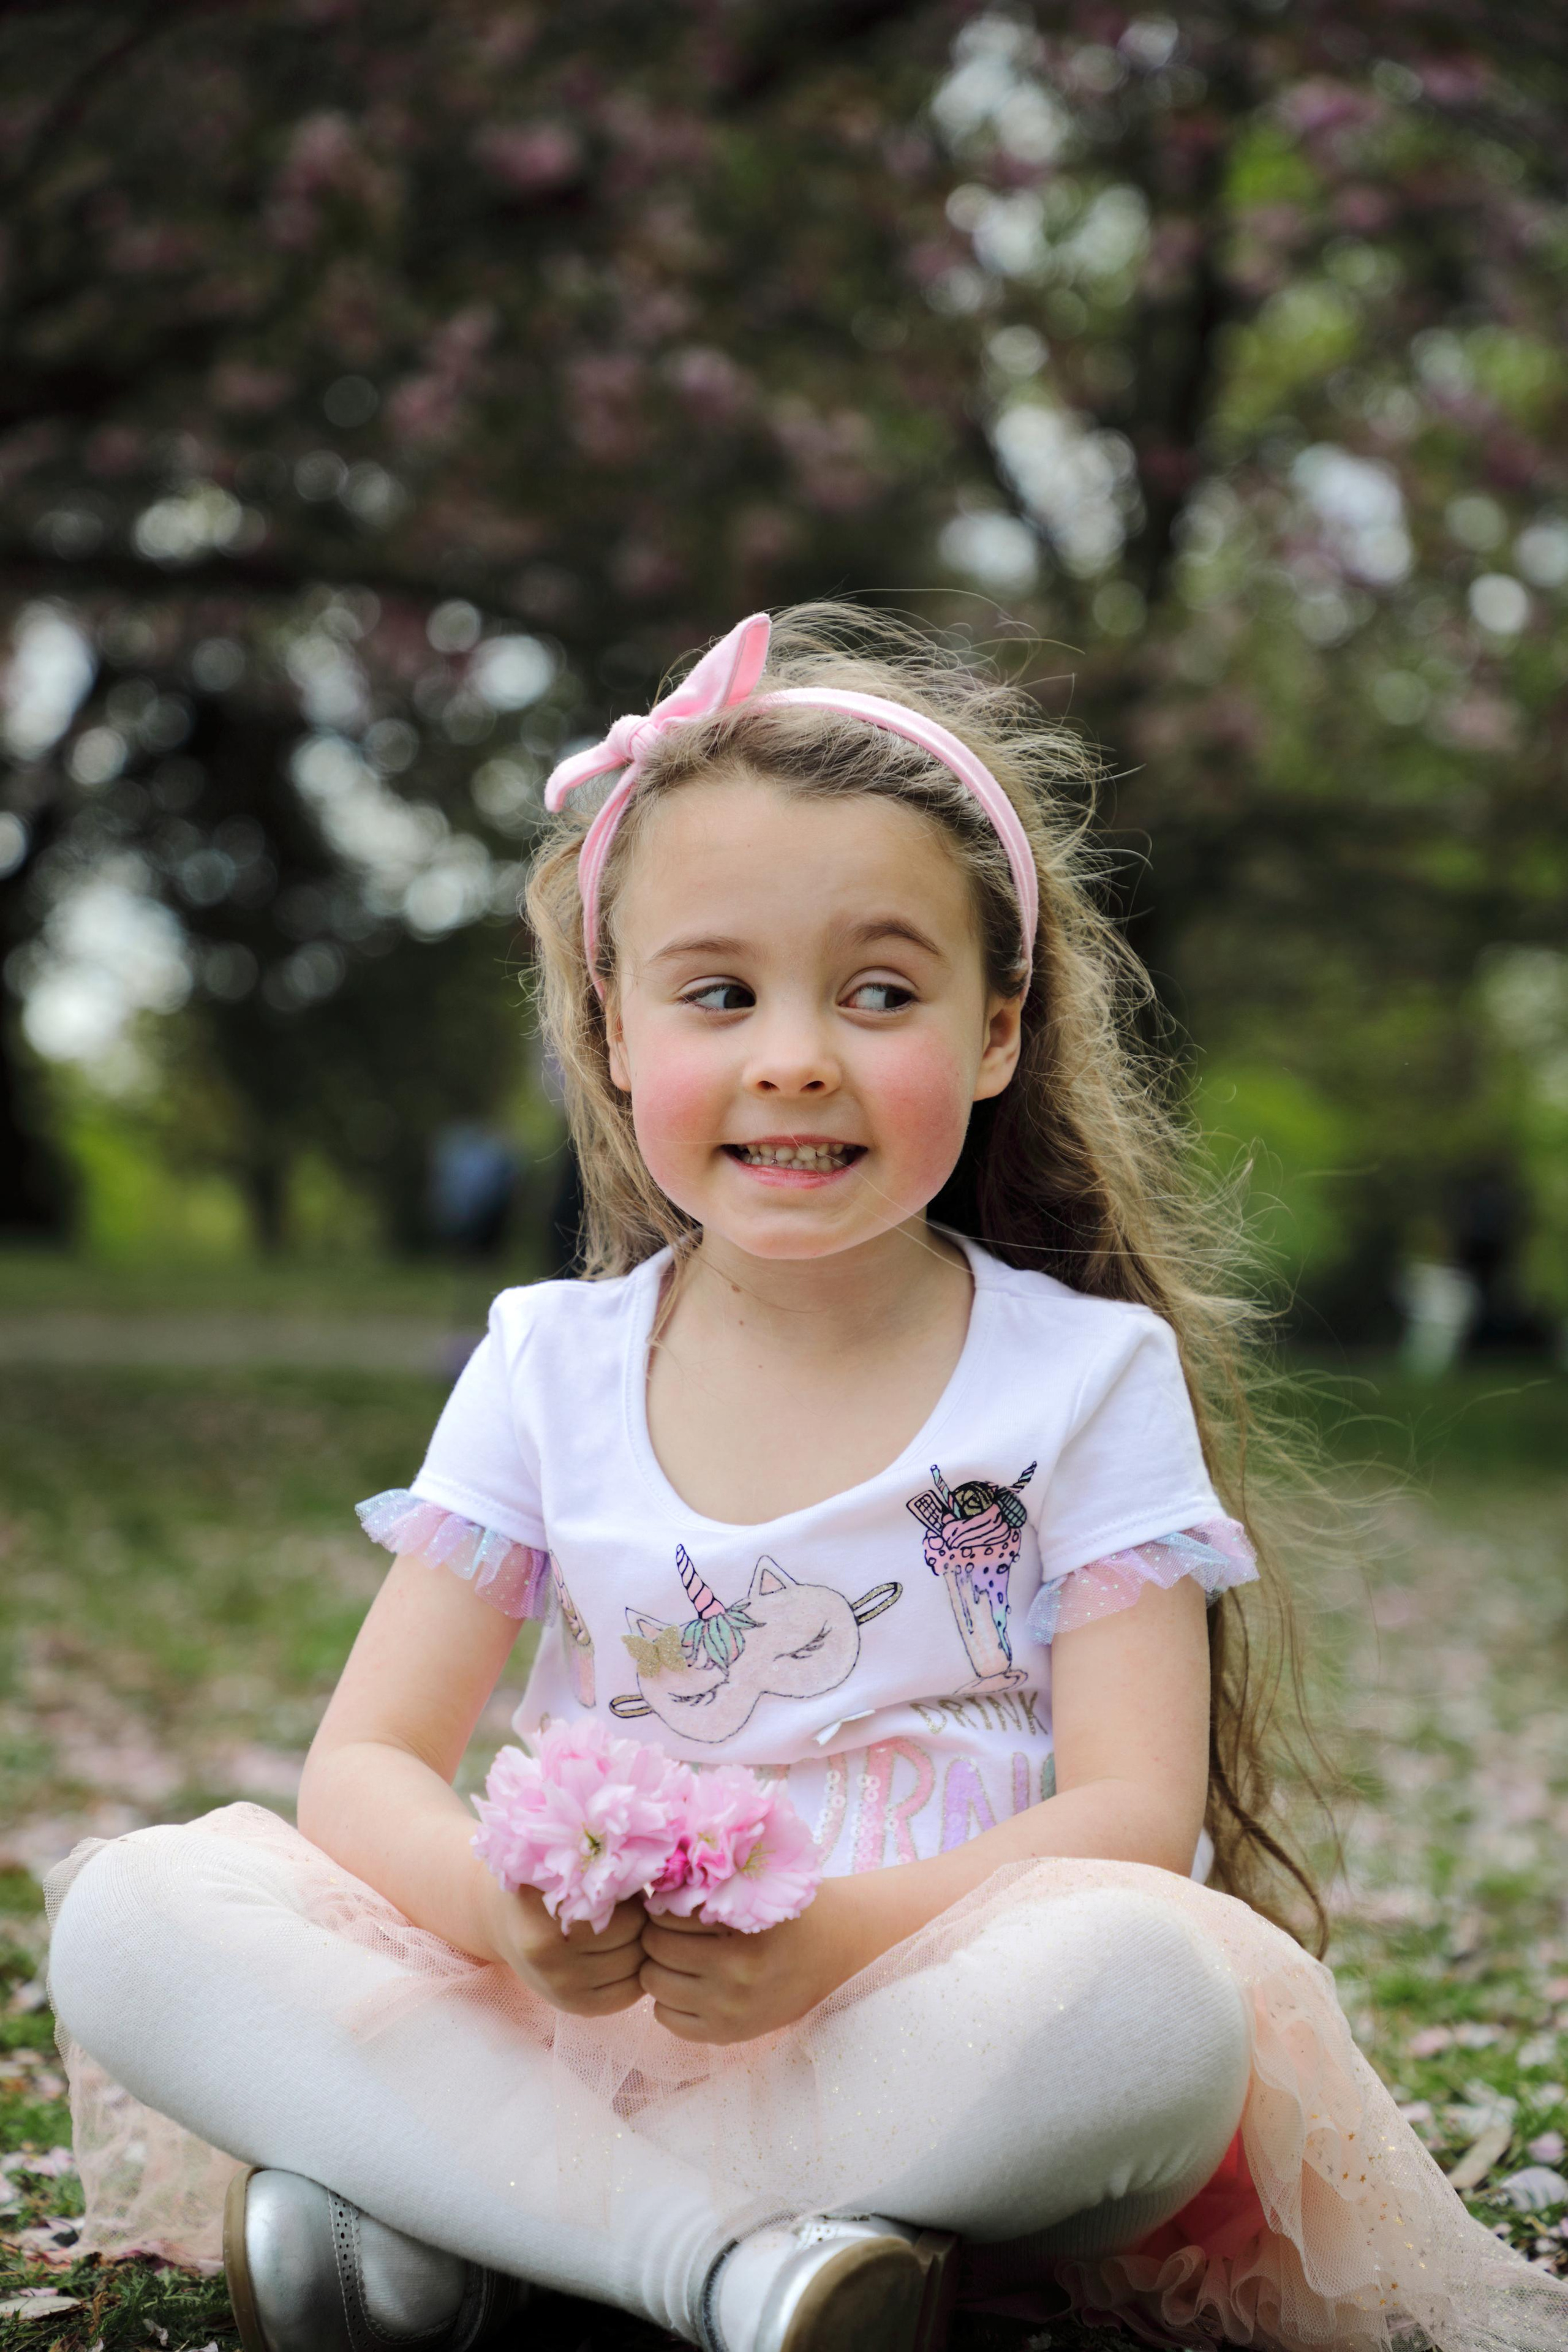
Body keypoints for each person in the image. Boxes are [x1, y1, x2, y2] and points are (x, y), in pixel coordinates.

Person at [45, 608, 1567, 2352]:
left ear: (996, 1033)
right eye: (719, 993)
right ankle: (728, 2264)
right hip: (575, 2021)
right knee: (137, 1921)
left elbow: (1131, 1818)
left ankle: (466, 2226)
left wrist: (832, 1939)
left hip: (923, 2014)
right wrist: (499, 1917)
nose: (794, 1055)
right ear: (614, 1034)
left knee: (1152, 2002)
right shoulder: (550, 1364)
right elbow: (368, 1761)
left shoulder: (1084, 1377)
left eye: (880, 993)